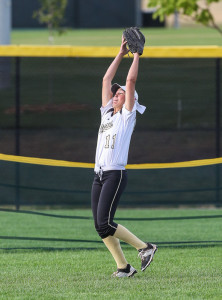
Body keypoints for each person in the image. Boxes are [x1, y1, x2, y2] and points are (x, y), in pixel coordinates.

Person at [91, 35, 157, 278]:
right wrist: (120, 52)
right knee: (101, 228)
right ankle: (124, 268)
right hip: (98, 175)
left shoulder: (126, 116)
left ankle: (145, 247)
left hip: (114, 174)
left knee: (105, 223)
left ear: (130, 99)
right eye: (115, 93)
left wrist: (136, 54)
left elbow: (130, 80)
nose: (115, 93)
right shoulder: (107, 115)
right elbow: (106, 79)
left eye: (119, 93)